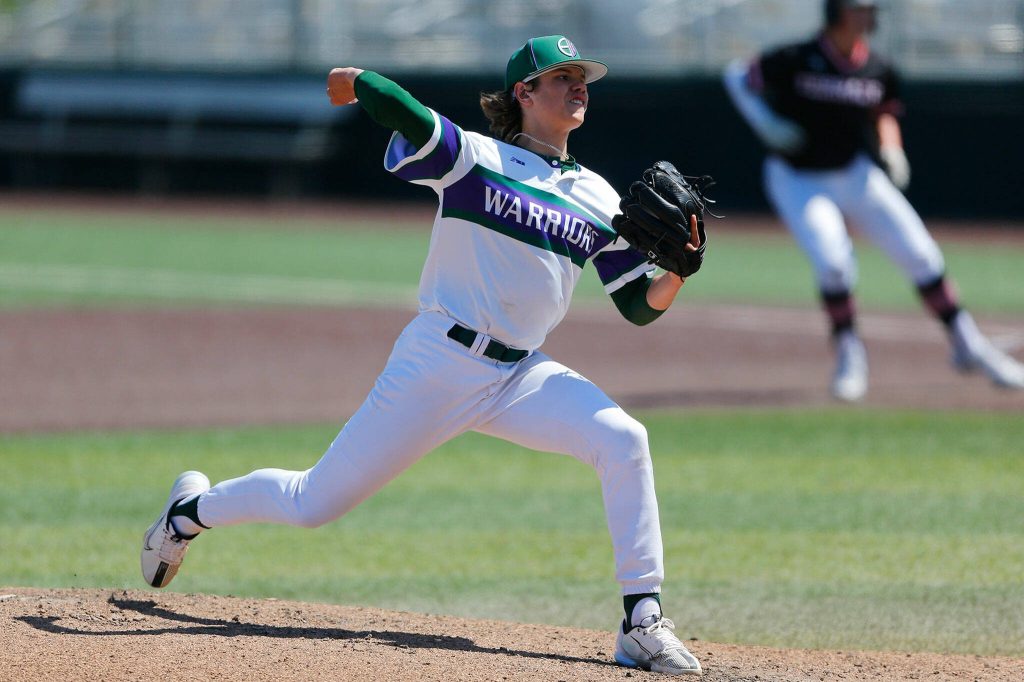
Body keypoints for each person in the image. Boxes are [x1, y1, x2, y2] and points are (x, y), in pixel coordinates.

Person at [140, 35, 704, 676]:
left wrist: (682, 270)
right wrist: (359, 81)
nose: (580, 86)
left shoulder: (599, 196)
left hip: (520, 373)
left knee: (624, 439)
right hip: (438, 362)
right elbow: (404, 112)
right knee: (311, 503)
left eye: (584, 78)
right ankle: (189, 514)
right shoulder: (474, 158)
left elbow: (637, 305)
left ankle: (641, 622)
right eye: (562, 76)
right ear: (523, 92)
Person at [722, 0, 1024, 401]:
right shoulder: (797, 57)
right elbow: (737, 76)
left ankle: (968, 344)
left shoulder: (879, 66)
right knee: (833, 263)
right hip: (799, 178)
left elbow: (883, 113)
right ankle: (850, 355)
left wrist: (892, 149)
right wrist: (766, 123)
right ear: (838, 11)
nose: (870, 14)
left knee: (922, 255)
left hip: (855, 172)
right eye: (861, 7)